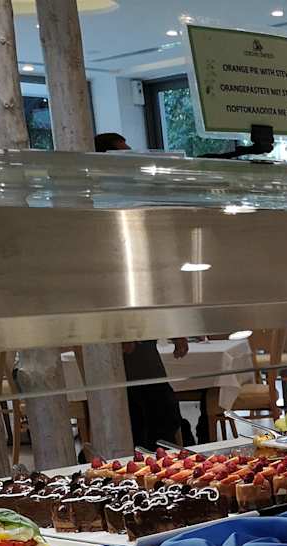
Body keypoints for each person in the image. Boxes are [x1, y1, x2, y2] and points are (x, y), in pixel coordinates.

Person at [94, 132, 192, 447]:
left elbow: (154, 273)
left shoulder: (133, 204)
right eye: (122, 155)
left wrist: (173, 326)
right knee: (144, 412)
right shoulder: (100, 207)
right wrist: (122, 328)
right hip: (122, 332)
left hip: (142, 331)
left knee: (161, 409)